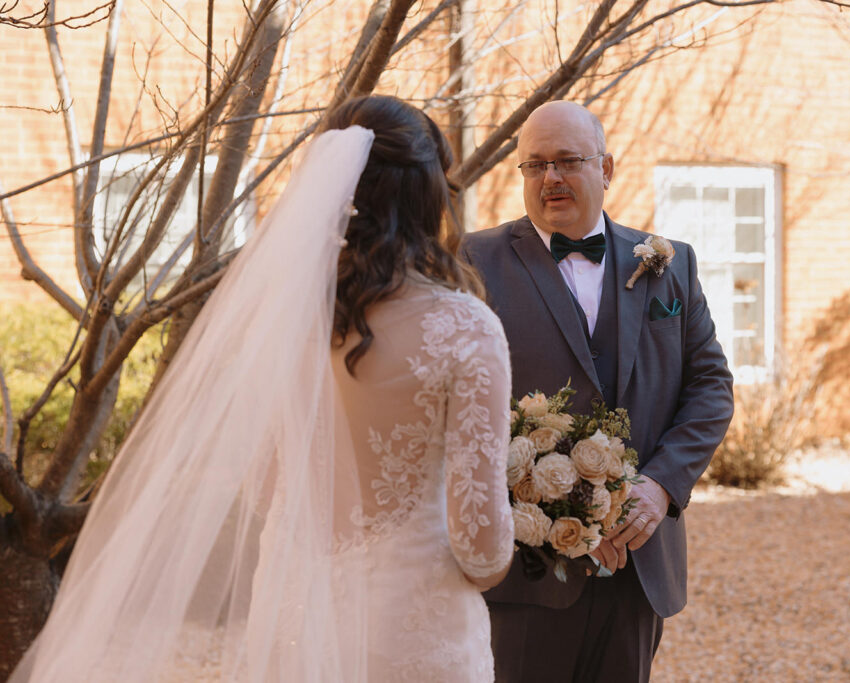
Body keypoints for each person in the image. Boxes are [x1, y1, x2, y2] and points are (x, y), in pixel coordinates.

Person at [11, 95, 513, 682]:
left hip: (295, 619)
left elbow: (262, 484)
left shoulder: (280, 320)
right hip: (412, 630)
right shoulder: (465, 327)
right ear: (428, 197)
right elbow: (481, 550)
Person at [461, 100, 734, 683]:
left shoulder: (670, 265)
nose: (550, 179)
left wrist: (660, 487)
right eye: (534, 166)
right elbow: (454, 408)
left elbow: (711, 386)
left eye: (567, 161)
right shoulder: (472, 263)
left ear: (607, 169)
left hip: (638, 562)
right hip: (526, 570)